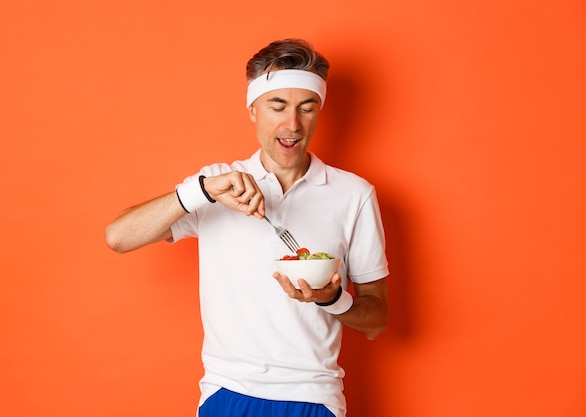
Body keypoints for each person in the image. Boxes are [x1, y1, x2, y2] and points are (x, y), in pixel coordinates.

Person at [105, 38, 389, 417]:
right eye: (278, 106)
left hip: (315, 397)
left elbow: (377, 321)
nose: (293, 124)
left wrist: (330, 299)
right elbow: (118, 237)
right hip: (229, 391)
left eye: (307, 107)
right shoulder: (216, 184)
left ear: (319, 112)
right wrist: (199, 192)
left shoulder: (353, 194)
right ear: (253, 109)